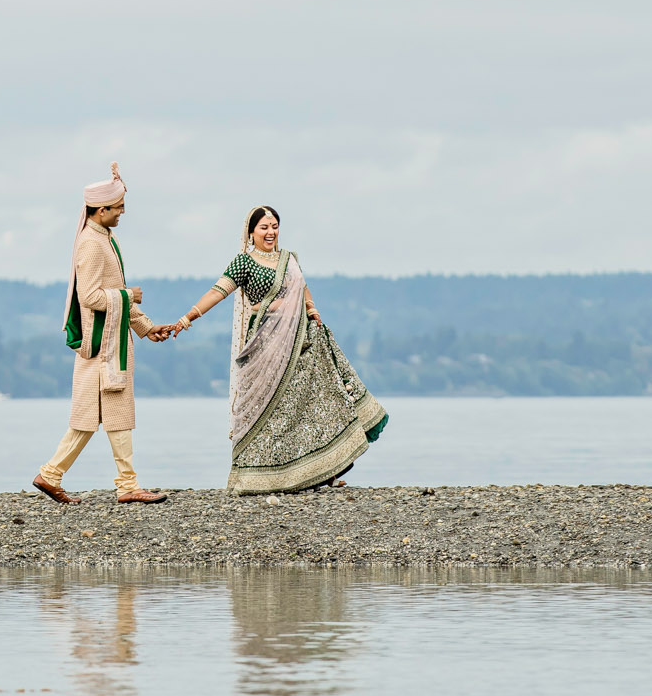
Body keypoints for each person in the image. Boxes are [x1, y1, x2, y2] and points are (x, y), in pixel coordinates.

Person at [163, 205, 387, 494]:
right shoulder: (243, 263)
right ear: (251, 232)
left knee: (307, 403)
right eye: (264, 228)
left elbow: (302, 288)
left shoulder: (289, 259)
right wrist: (186, 319)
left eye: (274, 226)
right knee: (263, 409)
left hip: (300, 338)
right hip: (265, 341)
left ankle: (321, 471)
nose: (270, 233)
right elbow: (217, 292)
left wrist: (312, 309)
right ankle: (259, 476)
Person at [33, 163, 173, 504]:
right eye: (119, 207)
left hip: (109, 344)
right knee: (110, 416)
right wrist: (130, 297)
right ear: (101, 209)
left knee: (100, 418)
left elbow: (112, 288)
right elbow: (91, 297)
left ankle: (51, 475)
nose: (123, 212)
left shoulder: (105, 238)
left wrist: (145, 326)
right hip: (102, 349)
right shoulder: (92, 244)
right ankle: (126, 486)